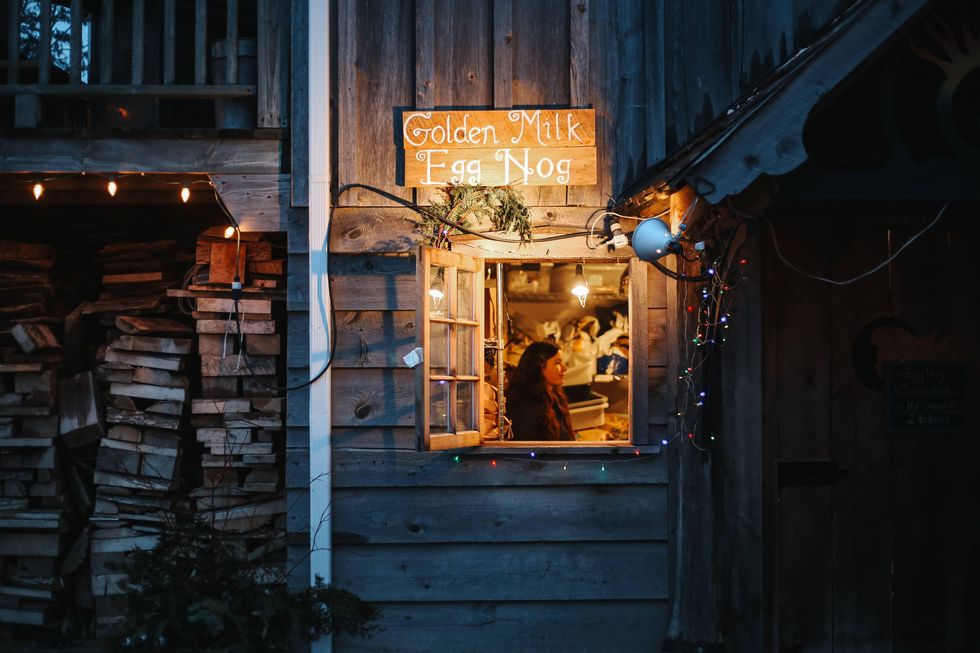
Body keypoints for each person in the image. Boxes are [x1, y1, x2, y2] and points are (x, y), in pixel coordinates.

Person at [505, 341, 575, 441]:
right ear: (540, 367)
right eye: (557, 363)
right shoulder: (522, 403)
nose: (564, 368)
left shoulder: (555, 397)